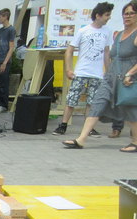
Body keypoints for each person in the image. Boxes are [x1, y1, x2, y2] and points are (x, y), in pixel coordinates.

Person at [63, 1, 137, 152]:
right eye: (125, 13)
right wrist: (107, 71)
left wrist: (130, 73)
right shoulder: (119, 34)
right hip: (111, 77)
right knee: (97, 103)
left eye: (131, 13)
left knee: (130, 110)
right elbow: (110, 55)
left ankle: (135, 142)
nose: (127, 16)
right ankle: (81, 139)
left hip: (128, 79)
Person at [52, 2, 114, 136]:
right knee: (72, 99)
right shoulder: (83, 31)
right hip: (81, 72)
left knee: (92, 102)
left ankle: (89, 127)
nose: (108, 18)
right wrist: (69, 69)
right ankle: (63, 125)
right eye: (107, 15)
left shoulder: (107, 32)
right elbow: (69, 50)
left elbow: (107, 52)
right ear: (98, 15)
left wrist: (108, 72)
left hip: (97, 74)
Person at [0, 8, 16, 113]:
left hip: (5, 61)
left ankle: (3, 105)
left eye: (0, 17)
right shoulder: (1, 30)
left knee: (3, 83)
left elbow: (11, 47)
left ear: (6, 17)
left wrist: (5, 62)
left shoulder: (11, 30)